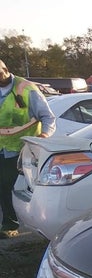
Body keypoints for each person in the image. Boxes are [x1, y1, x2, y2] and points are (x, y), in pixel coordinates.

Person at [0, 59, 56, 238]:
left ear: (6, 69)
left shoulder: (26, 88)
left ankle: (11, 225)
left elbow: (48, 117)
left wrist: (43, 136)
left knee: (10, 187)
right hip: (1, 148)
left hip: (20, 150)